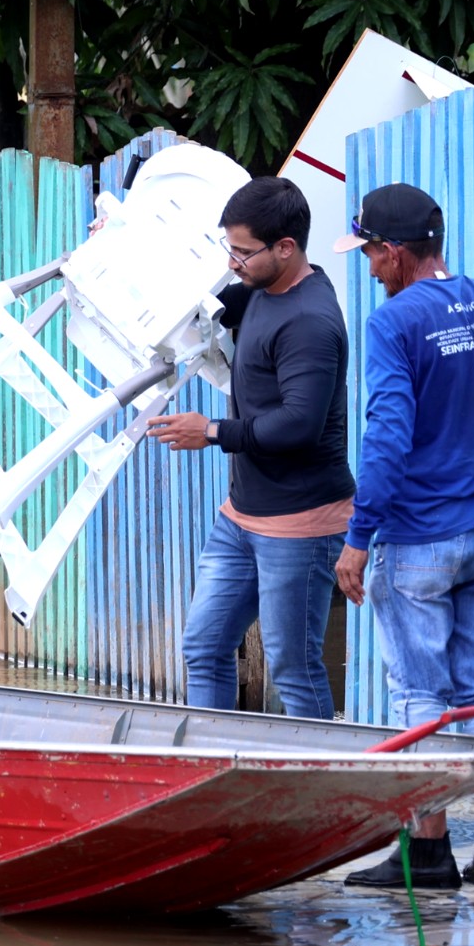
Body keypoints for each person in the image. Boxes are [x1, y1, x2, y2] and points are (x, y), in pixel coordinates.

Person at [332, 183, 474, 891]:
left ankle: (428, 854)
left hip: (419, 539)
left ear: (396, 252)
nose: (370, 268)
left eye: (371, 253)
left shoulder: (394, 322)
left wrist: (360, 536)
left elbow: (388, 434)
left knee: (419, 693)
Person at [148, 177, 354, 720]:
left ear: (285, 247)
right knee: (204, 647)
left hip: (300, 524)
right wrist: (122, 245)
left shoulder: (310, 322)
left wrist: (212, 431)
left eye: (242, 251)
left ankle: (319, 775)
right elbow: (195, 304)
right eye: (230, 248)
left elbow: (299, 425)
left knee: (293, 667)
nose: (232, 262)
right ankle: (214, 765)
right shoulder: (264, 287)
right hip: (242, 516)